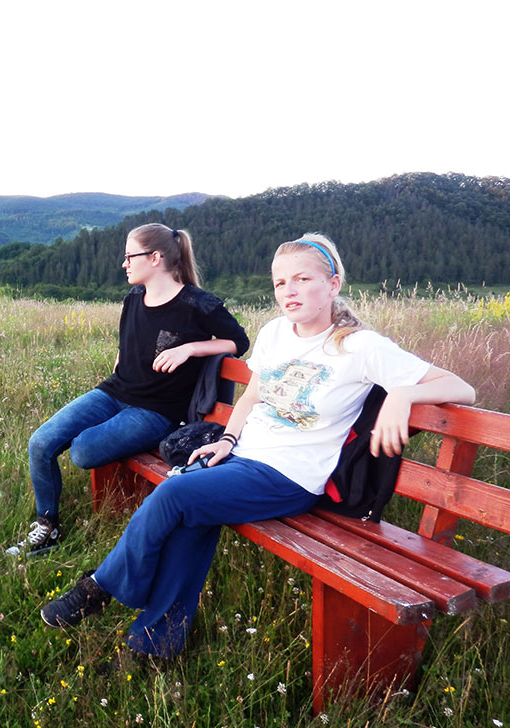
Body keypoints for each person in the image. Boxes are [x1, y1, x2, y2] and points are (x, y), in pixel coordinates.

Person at [39, 232, 476, 658]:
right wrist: (228, 439)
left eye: (303, 279)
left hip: (292, 477)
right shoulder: (274, 334)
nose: (289, 291)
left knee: (174, 494)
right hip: (244, 459)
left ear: (333, 285)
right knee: (192, 518)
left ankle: (99, 588)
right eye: (280, 282)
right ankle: (156, 643)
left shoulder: (361, 346)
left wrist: (402, 394)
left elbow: (461, 389)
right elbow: (252, 395)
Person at [5, 223, 250, 557]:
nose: (124, 264)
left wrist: (190, 348)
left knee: (82, 452)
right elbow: (129, 342)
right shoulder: (134, 296)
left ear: (155, 257)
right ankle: (47, 528)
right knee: (40, 442)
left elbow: (239, 342)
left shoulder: (198, 304)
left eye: (129, 256)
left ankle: (93, 455)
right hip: (113, 393)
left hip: (155, 411)